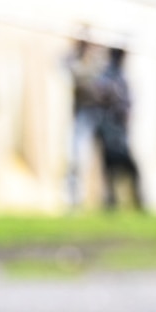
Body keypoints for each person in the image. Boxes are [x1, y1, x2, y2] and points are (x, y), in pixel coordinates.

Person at [93, 48, 144, 212]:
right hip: (109, 129)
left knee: (129, 169)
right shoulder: (107, 75)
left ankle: (136, 200)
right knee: (111, 169)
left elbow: (128, 102)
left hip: (120, 131)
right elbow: (101, 96)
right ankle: (111, 201)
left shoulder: (122, 75)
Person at [63, 39, 102, 210]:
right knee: (75, 158)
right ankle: (74, 198)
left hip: (100, 116)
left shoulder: (98, 61)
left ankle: (103, 197)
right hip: (81, 116)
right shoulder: (74, 61)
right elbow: (68, 68)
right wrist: (78, 53)